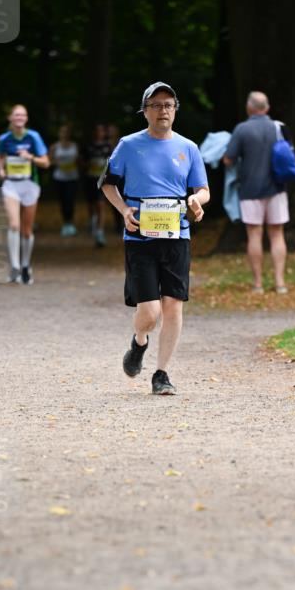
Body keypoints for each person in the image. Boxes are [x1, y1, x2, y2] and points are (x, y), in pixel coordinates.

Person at [101, 82, 209, 395]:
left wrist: (196, 202)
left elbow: (202, 189)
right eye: (156, 105)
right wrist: (123, 211)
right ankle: (139, 342)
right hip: (140, 237)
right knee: (149, 313)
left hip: (177, 235)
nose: (163, 110)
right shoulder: (128, 145)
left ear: (175, 110)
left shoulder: (188, 147)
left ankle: (162, 374)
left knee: (173, 306)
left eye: (169, 105)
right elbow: (108, 184)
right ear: (145, 111)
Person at [223, 91, 289, 295]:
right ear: (267, 108)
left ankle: (258, 283)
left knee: (254, 234)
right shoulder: (279, 127)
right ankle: (280, 283)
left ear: (249, 108)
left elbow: (228, 159)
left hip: (250, 189)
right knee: (277, 234)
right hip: (277, 188)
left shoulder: (242, 129)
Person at [0, 105, 49, 284]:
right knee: (13, 225)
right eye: (16, 114)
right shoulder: (4, 139)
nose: (19, 117)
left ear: (26, 118)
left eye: (22, 115)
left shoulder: (33, 137)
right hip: (11, 185)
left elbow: (46, 163)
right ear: (10, 118)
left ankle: (26, 265)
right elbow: (0, 157)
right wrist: (1, 170)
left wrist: (30, 157)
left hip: (30, 185)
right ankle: (15, 266)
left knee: (27, 230)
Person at [83, 123, 113, 246]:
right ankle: (92, 222)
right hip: (90, 179)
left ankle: (100, 232)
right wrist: (88, 165)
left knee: (100, 205)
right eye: (97, 131)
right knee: (91, 205)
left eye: (101, 131)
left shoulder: (108, 146)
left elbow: (113, 162)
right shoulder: (88, 146)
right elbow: (81, 161)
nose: (99, 133)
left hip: (102, 180)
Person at [50, 125, 80, 236]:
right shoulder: (54, 146)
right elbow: (49, 161)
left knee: (70, 200)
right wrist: (57, 163)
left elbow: (78, 160)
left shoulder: (74, 146)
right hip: (59, 178)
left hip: (72, 177)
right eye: (62, 132)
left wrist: (74, 164)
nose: (64, 134)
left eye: (66, 132)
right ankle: (65, 223)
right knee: (63, 201)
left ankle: (71, 223)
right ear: (59, 133)